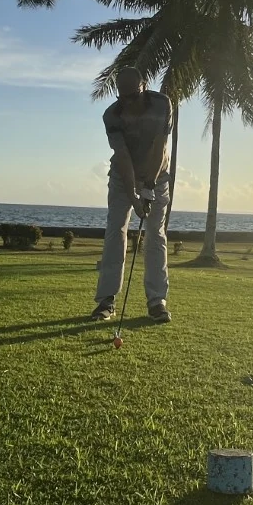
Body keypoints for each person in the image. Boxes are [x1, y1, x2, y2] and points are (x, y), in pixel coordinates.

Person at [90, 66, 174, 323]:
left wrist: (148, 186)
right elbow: (123, 157)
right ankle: (107, 301)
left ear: (144, 87)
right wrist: (134, 197)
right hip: (121, 177)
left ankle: (157, 301)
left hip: (157, 174)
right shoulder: (112, 115)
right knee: (116, 230)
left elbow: (160, 147)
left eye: (133, 96)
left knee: (155, 233)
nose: (129, 102)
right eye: (123, 97)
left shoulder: (161, 104)